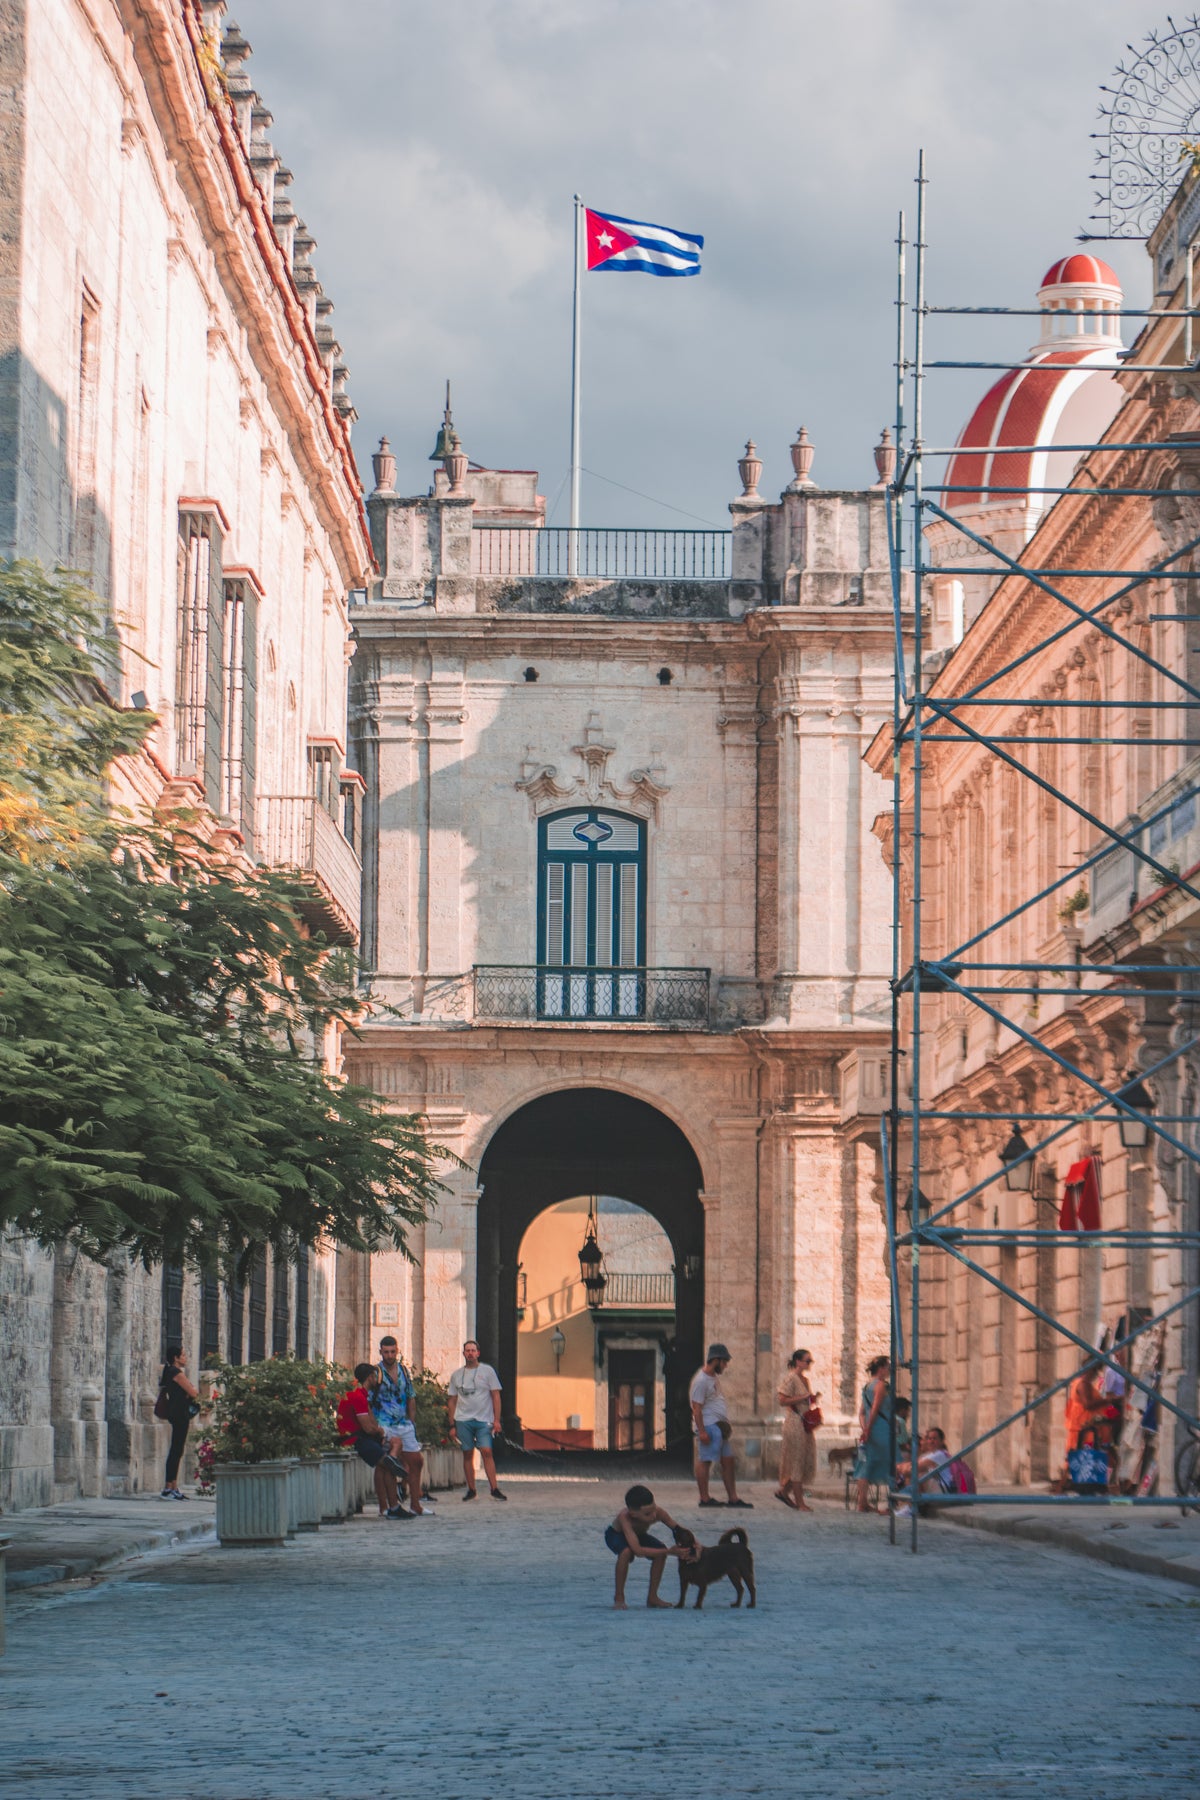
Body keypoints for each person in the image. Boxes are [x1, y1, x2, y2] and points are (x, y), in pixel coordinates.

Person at [336, 1364, 411, 1519]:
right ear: (370, 1377)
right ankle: (394, 1506)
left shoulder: (362, 1395)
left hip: (361, 1437)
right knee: (388, 1465)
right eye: (375, 1376)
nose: (377, 1379)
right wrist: (380, 1431)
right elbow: (368, 1427)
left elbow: (372, 1423)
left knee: (388, 1461)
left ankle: (390, 1506)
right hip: (356, 1439)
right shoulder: (357, 1396)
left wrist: (379, 1432)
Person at [604, 1484, 695, 1609]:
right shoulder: (624, 1518)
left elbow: (680, 1531)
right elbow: (638, 1551)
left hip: (638, 1535)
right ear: (633, 1514)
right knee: (626, 1552)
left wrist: (695, 1547)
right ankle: (619, 1597)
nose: (653, 1516)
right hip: (616, 1535)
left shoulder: (659, 1513)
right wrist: (669, 1551)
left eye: (654, 1509)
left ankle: (652, 1597)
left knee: (661, 1552)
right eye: (647, 1514)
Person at [689, 1343, 752, 1508]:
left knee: (728, 1461)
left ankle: (733, 1498)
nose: (725, 1366)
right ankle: (704, 1498)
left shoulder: (712, 1378)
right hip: (709, 1427)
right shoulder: (701, 1381)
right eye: (724, 1362)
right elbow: (696, 1408)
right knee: (705, 1461)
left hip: (718, 1428)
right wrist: (701, 1431)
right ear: (715, 1360)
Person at [373, 1336, 428, 1516]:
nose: (389, 1355)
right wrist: (375, 1427)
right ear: (380, 1352)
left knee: (416, 1461)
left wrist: (411, 1421)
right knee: (384, 1465)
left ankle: (415, 1504)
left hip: (404, 1424)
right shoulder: (376, 1373)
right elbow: (367, 1400)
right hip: (384, 1424)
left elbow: (411, 1396)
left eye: (392, 1352)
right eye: (386, 1352)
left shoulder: (404, 1370)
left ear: (397, 1351)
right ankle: (385, 1507)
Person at [447, 1339, 506, 1501]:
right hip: (463, 1419)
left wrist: (497, 1420)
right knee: (467, 1453)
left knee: (486, 1451)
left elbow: (496, 1395)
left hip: (483, 1419)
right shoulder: (457, 1375)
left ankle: (494, 1487)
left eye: (473, 1350)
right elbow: (452, 1399)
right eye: (467, 1350)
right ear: (464, 1353)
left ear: (478, 1353)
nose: (470, 1353)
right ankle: (471, 1489)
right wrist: (451, 1424)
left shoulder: (488, 1371)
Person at [774, 1347, 819, 1511]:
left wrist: (812, 1399)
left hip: (804, 1423)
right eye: (807, 1360)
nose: (809, 1363)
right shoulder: (791, 1378)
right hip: (794, 1423)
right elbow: (782, 1400)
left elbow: (805, 1400)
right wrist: (804, 1397)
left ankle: (784, 1492)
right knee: (796, 1462)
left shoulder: (805, 1380)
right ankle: (800, 1503)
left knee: (802, 1459)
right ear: (798, 1361)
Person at [158, 1344, 199, 1499]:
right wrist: (190, 1392)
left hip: (175, 1413)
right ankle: (168, 1487)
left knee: (177, 1449)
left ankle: (173, 1486)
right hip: (180, 1414)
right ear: (175, 1358)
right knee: (176, 1450)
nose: (185, 1358)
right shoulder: (176, 1373)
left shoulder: (168, 1371)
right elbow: (193, 1392)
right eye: (182, 1355)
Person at [854, 1354, 893, 1513]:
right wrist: (870, 1428)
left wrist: (864, 1429)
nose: (889, 1370)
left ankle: (862, 1502)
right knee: (893, 1463)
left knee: (866, 1464)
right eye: (888, 1367)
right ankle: (893, 1502)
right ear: (882, 1369)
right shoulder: (881, 1386)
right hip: (881, 1428)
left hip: (869, 1430)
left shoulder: (867, 1386)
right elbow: (876, 1408)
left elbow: (862, 1412)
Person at [894, 1425, 955, 1515]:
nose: (931, 1441)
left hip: (942, 1493)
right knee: (915, 1473)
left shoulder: (940, 1454)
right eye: (929, 1439)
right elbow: (910, 1466)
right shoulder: (929, 1454)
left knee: (917, 1474)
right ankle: (910, 1506)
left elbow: (912, 1468)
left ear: (941, 1441)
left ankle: (912, 1507)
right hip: (937, 1490)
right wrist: (902, 1468)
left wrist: (900, 1468)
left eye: (935, 1439)